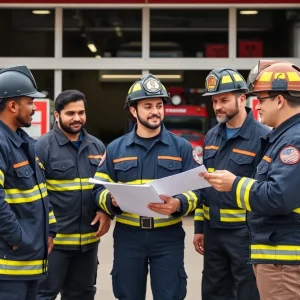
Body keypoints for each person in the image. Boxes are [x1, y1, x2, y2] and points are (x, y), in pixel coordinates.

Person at [92, 73, 200, 300]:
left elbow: (199, 189)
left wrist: (179, 203)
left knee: (170, 295)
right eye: (148, 106)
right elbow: (98, 188)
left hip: (167, 237)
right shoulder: (115, 149)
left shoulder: (181, 148)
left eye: (159, 105)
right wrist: (110, 201)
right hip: (128, 237)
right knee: (128, 295)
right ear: (133, 111)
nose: (155, 111)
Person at [202, 60, 300, 300]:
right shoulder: (280, 138)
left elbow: (278, 196)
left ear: (279, 100)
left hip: (280, 255)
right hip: (263, 248)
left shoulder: (291, 141)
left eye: (262, 98)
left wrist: (234, 184)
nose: (258, 105)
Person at [193, 68, 268, 300]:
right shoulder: (212, 135)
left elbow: (265, 190)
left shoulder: (263, 137)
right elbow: (202, 185)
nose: (217, 107)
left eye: (224, 100)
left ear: (242, 98)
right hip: (213, 233)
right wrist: (199, 228)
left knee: (247, 292)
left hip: (245, 235)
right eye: (214, 101)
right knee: (213, 293)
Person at [36, 90, 110, 300]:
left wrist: (106, 212)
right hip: (54, 245)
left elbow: (105, 187)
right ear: (57, 115)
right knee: (44, 295)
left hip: (87, 244)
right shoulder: (43, 147)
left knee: (83, 295)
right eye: (70, 113)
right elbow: (37, 195)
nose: (77, 118)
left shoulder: (97, 146)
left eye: (81, 112)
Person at [0, 65, 57, 300]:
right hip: (9, 267)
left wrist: (50, 229)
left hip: (30, 265)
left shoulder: (25, 143)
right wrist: (18, 239)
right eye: (29, 102)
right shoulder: (2, 144)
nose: (34, 108)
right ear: (13, 106)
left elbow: (40, 192)